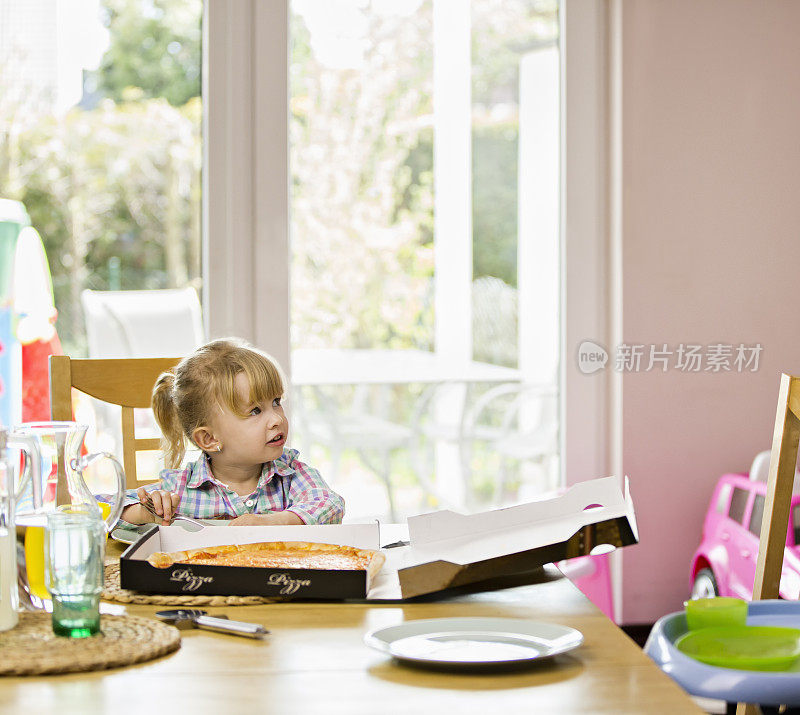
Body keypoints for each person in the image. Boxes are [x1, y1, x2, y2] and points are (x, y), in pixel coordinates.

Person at [116, 337, 344, 526]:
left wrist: (276, 521)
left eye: (276, 401)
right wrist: (142, 513)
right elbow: (99, 509)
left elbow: (330, 505)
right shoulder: (179, 488)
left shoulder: (291, 475)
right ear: (209, 439)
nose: (277, 419)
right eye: (255, 411)